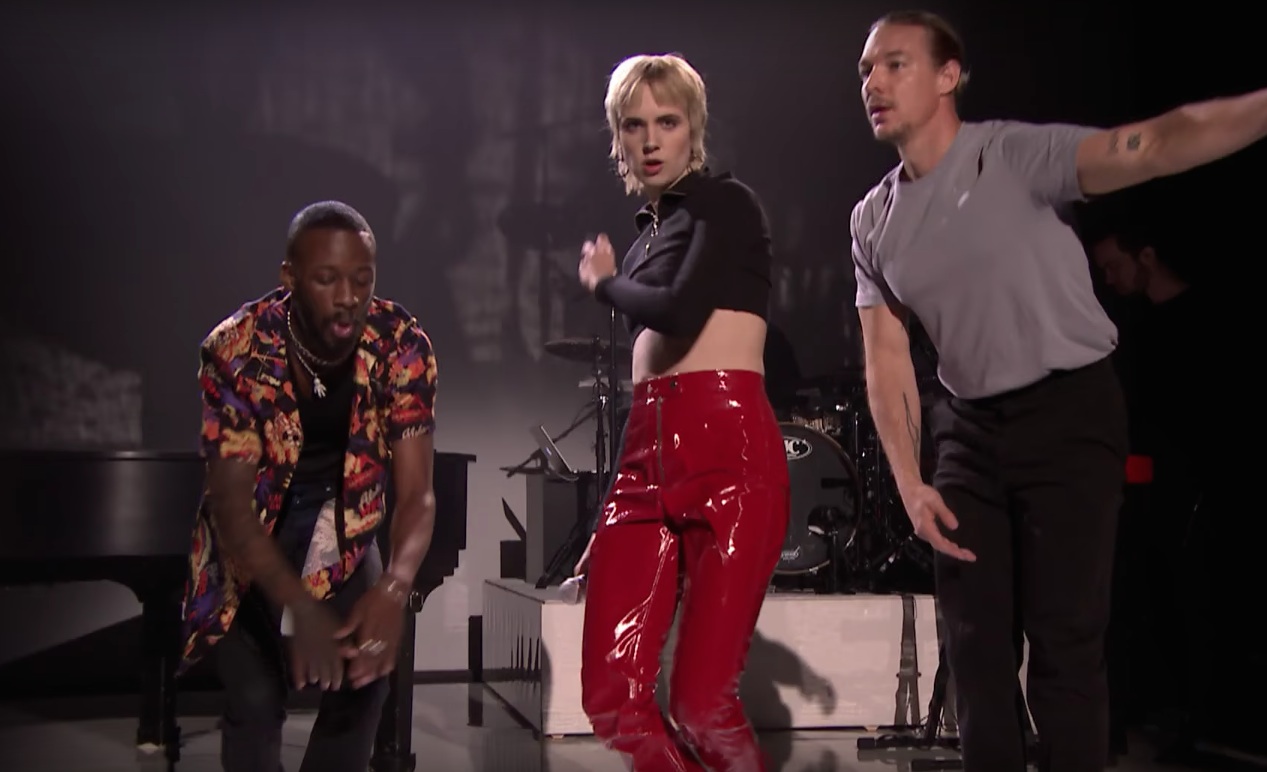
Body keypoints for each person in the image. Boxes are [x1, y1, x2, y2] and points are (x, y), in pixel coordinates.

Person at [849, 10, 1266, 772]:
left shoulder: (1009, 154)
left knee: (1064, 642)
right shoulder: (872, 219)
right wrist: (909, 482)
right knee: (974, 646)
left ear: (948, 76)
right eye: (864, 71)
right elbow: (884, 355)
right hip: (967, 430)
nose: (872, 82)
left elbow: (1155, 143)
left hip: (1067, 412)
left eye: (894, 64)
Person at [572, 53, 789, 771]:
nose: (650, 140)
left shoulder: (726, 203)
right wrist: (609, 505)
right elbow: (646, 373)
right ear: (618, 137)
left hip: (728, 449)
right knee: (611, 699)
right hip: (645, 455)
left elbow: (679, 310)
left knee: (701, 704)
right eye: (633, 126)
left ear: (692, 127)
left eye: (666, 122)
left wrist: (603, 285)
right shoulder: (645, 241)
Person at [177, 201, 440, 772]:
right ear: (290, 277)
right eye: (327, 279)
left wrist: (394, 587)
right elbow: (231, 507)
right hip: (250, 538)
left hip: (342, 526)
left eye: (362, 280)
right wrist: (298, 607)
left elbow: (417, 492)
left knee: (364, 678)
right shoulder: (236, 349)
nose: (348, 297)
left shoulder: (401, 345)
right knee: (255, 699)